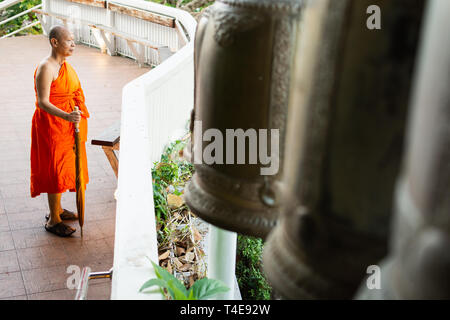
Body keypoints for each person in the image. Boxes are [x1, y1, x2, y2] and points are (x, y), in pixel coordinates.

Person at [31, 25, 90, 237]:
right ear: (55, 42)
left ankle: (58, 209)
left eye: (74, 40)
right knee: (55, 169)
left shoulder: (65, 65)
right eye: (68, 41)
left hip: (68, 124)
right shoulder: (46, 67)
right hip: (51, 125)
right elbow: (42, 102)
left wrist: (72, 115)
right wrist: (66, 116)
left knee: (67, 167)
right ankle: (53, 220)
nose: (73, 44)